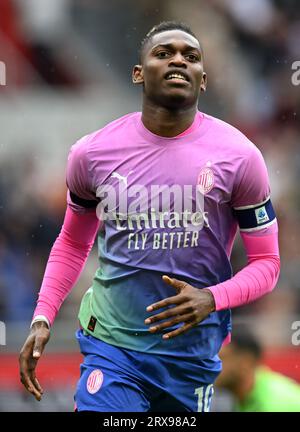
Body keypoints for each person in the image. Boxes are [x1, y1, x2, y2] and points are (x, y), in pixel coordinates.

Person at [19, 21, 280, 412]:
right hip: (113, 348)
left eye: (191, 56)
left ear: (203, 79)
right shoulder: (92, 154)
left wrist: (212, 298)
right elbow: (73, 243)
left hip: (192, 356)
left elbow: (268, 264)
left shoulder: (241, 158)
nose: (179, 60)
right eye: (164, 53)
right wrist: (42, 316)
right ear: (139, 73)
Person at [216, 327, 300, 411]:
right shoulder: (244, 397)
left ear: (245, 363)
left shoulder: (273, 405)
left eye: (221, 358)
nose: (211, 366)